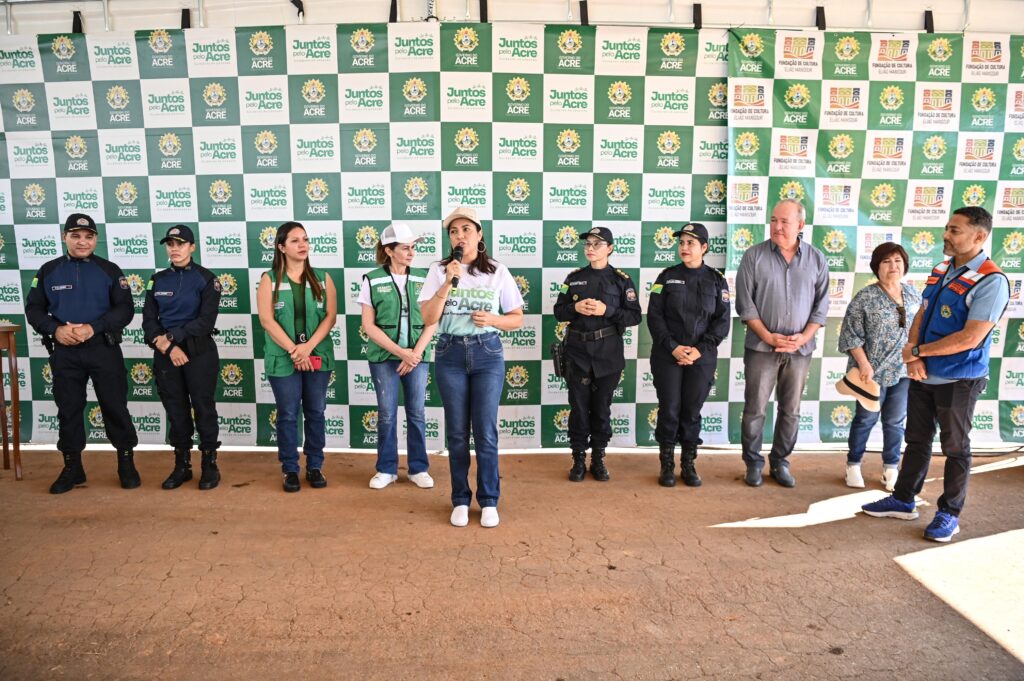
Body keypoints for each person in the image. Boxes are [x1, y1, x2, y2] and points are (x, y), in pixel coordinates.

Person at [862, 207, 1009, 542]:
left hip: (959, 379)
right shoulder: (942, 268)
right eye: (947, 228)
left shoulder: (991, 280)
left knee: (956, 448)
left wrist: (918, 352)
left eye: (955, 230)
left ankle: (949, 513)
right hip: (923, 374)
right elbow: (922, 314)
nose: (947, 235)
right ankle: (903, 499)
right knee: (916, 441)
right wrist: (913, 352)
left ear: (979, 236)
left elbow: (971, 337)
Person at [419, 206, 524, 528]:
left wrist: (493, 319)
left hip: (487, 353)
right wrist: (449, 282)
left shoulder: (497, 271)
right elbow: (428, 318)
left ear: (479, 235)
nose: (460, 236)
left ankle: (489, 500)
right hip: (449, 353)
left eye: (466, 229)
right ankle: (461, 499)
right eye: (453, 231)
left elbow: (516, 318)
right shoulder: (439, 270)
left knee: (486, 431)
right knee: (456, 433)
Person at [25, 213, 139, 493]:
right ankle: (72, 467)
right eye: (75, 236)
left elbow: (125, 309)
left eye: (88, 236)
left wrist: (93, 327)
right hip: (65, 352)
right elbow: (34, 308)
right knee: (69, 409)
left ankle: (125, 461)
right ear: (65, 237)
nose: (82, 242)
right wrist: (55, 329)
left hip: (103, 348)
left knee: (114, 405)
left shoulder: (110, 270)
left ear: (95, 239)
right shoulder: (48, 270)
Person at [734, 199, 829, 488]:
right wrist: (768, 337)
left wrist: (804, 336)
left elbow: (821, 307)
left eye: (784, 222)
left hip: (800, 350)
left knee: (791, 409)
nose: (777, 226)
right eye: (774, 220)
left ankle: (780, 462)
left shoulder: (816, 259)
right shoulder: (753, 256)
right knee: (755, 409)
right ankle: (753, 462)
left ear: (800, 225)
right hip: (762, 348)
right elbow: (745, 305)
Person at [553, 226, 642, 482]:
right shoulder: (574, 278)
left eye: (597, 244)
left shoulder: (621, 280)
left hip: (608, 353)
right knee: (579, 408)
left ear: (610, 249)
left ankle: (599, 458)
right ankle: (578, 458)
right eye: (588, 243)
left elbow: (634, 316)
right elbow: (559, 312)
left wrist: (607, 309)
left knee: (601, 408)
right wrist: (575, 307)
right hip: (577, 352)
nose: (590, 248)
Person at [646, 223, 730, 487]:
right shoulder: (666, 276)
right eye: (681, 242)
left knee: (691, 411)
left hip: (700, 359)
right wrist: (673, 347)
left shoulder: (717, 280)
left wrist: (698, 351)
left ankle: (689, 464)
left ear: (704, 248)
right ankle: (667, 464)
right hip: (667, 355)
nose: (684, 247)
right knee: (670, 409)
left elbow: (722, 322)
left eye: (690, 243)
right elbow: (654, 316)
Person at [256, 222, 337, 493]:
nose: (303, 245)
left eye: (305, 239)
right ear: (281, 247)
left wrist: (307, 348)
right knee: (288, 414)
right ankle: (290, 468)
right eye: (294, 241)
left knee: (316, 412)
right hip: (284, 358)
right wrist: (295, 350)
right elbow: (267, 320)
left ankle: (315, 466)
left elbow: (330, 318)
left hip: (317, 357)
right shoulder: (269, 279)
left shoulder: (323, 278)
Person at [142, 225, 223, 491]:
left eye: (180, 243)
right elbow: (149, 322)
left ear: (192, 247)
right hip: (166, 355)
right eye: (170, 244)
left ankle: (209, 463)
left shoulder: (207, 279)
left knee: (203, 408)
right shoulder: (157, 280)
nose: (174, 248)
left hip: (199, 352)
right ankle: (182, 465)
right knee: (175, 410)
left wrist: (173, 337)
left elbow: (205, 322)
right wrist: (168, 348)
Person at [359, 223, 438, 490]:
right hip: (384, 358)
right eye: (405, 248)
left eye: (413, 247)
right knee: (386, 415)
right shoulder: (371, 279)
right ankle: (386, 469)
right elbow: (369, 326)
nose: (411, 253)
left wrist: (414, 354)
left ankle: (418, 468)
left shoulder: (424, 277)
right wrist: (401, 352)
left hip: (417, 356)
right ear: (389, 250)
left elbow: (433, 320)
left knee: (416, 412)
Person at [838, 242, 921, 491]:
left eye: (897, 260)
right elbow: (851, 335)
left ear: (905, 264)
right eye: (886, 261)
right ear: (877, 267)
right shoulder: (865, 297)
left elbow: (921, 333)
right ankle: (853, 465)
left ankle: (891, 468)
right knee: (865, 419)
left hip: (903, 372)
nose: (893, 266)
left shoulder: (915, 295)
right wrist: (864, 364)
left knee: (895, 421)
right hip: (870, 373)